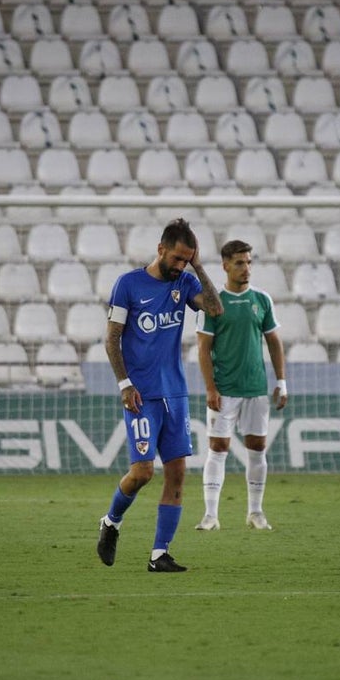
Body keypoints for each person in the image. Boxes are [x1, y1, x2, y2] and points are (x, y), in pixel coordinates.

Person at [97, 218, 223, 572]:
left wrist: (198, 266)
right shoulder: (128, 285)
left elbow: (215, 309)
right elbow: (111, 339)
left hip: (176, 393)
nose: (180, 266)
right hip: (140, 395)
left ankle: (159, 555)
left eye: (187, 260)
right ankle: (110, 522)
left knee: (178, 473)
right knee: (142, 473)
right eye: (178, 259)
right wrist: (125, 384)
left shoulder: (185, 281)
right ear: (160, 250)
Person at [194, 240, 287, 532]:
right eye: (239, 263)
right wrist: (210, 388)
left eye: (248, 262)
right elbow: (203, 348)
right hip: (224, 388)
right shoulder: (212, 302)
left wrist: (281, 382)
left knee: (257, 447)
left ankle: (255, 512)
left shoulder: (262, 300)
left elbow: (274, 341)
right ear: (225, 266)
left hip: (256, 388)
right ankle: (211, 515)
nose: (246, 268)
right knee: (217, 447)